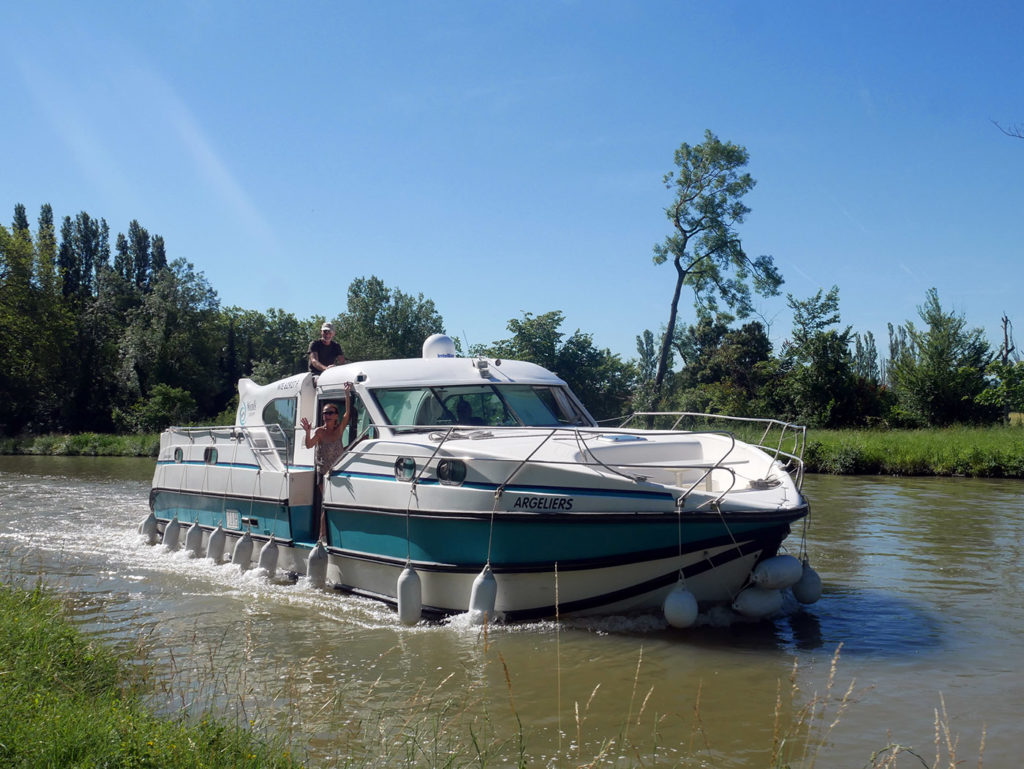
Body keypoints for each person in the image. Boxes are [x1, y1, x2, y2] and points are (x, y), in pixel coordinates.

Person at [300, 382, 354, 477]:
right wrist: (308, 432)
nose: (327, 415)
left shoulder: (339, 430)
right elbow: (309, 445)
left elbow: (347, 414)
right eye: (325, 413)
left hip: (337, 472)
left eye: (330, 413)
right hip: (322, 473)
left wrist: (347, 394)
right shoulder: (319, 431)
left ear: (336, 416)